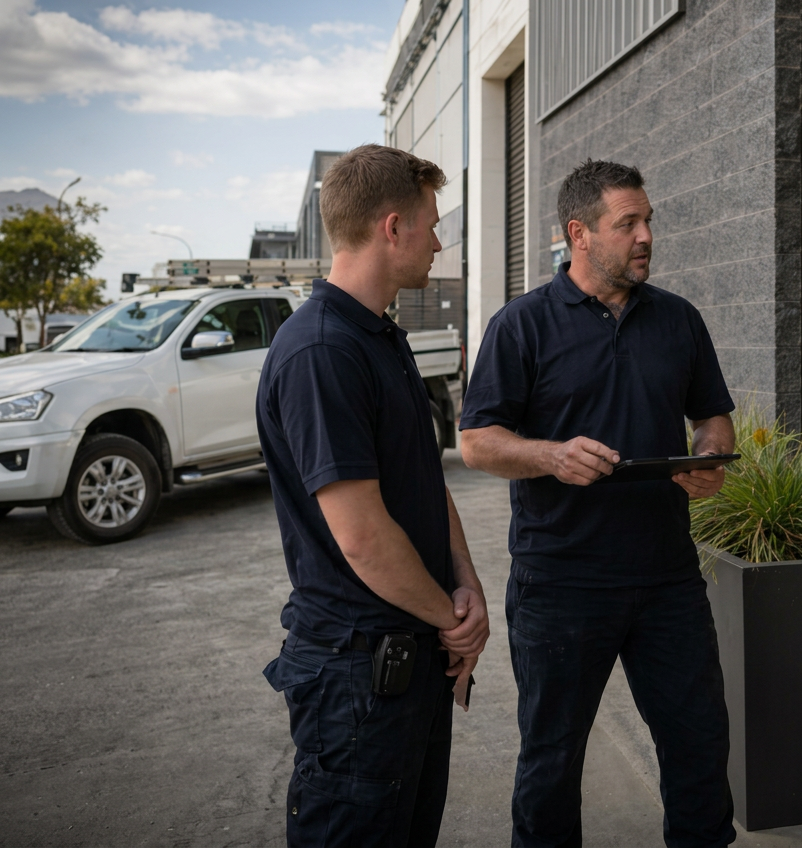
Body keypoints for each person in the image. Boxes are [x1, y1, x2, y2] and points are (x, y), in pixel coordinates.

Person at [460, 159, 737, 848]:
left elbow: (713, 420)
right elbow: (477, 442)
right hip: (560, 581)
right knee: (551, 761)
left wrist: (708, 460)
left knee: (699, 747)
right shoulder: (520, 326)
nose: (646, 235)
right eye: (628, 223)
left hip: (668, 578)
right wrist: (550, 456)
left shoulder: (678, 320)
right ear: (579, 233)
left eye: (648, 221)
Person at [257, 144, 490, 848]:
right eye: (431, 224)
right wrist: (453, 621)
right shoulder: (323, 350)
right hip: (356, 675)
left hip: (410, 659)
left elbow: (421, 479)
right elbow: (361, 534)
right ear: (393, 227)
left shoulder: (382, 337)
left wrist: (466, 583)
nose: (439, 241)